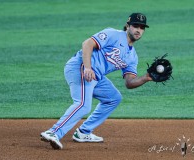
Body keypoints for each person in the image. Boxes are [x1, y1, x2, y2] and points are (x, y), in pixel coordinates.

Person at [40, 12, 152, 149]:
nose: (138, 30)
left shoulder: (132, 57)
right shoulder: (113, 34)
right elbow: (87, 44)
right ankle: (54, 132)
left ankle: (83, 132)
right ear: (127, 26)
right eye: (135, 26)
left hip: (96, 76)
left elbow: (129, 82)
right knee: (83, 104)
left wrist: (146, 78)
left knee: (114, 98)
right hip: (80, 67)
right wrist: (87, 68)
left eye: (142, 28)